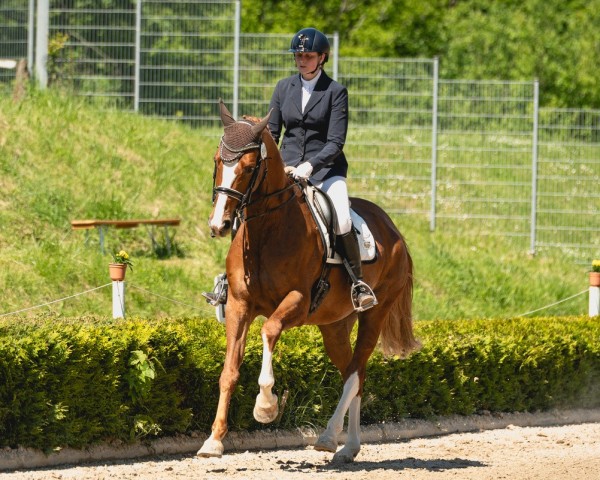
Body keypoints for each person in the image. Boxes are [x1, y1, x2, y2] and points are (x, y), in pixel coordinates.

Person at [203, 27, 377, 312]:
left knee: (343, 219)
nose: (301, 60)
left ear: (322, 58)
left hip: (326, 172)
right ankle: (228, 280)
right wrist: (277, 163)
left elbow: (335, 142)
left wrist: (310, 166)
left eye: (307, 56)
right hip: (286, 168)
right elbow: (272, 133)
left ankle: (358, 284)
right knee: (246, 209)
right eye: (298, 55)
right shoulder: (284, 88)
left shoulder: (335, 92)